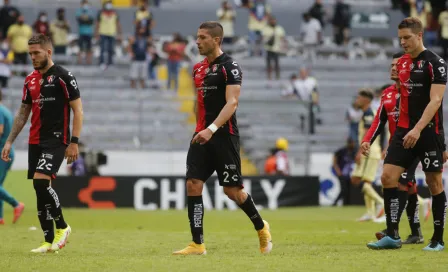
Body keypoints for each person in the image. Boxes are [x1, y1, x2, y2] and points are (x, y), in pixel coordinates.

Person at [172, 21, 272, 255]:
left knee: (232, 192)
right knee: (193, 184)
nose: (197, 41)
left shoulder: (230, 67)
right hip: (201, 135)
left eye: (203, 37)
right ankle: (197, 244)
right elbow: (200, 103)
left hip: (223, 136)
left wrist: (212, 129)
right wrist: (200, 129)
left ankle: (261, 226)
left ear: (216, 40)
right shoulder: (197, 69)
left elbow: (232, 103)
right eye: (197, 37)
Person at [366, 17, 448, 251]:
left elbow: (435, 101)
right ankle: (392, 235)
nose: (403, 42)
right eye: (400, 38)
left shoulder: (436, 63)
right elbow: (400, 97)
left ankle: (438, 238)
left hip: (428, 131)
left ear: (419, 35)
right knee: (387, 177)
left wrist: (420, 129)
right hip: (404, 132)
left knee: (434, 183)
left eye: (407, 38)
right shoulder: (402, 63)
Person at [1, 34, 84, 253]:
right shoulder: (30, 80)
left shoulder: (64, 77)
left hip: (56, 139)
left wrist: (74, 142)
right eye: (30, 54)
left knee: (41, 182)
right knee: (40, 191)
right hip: (35, 140)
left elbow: (78, 110)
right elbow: (22, 113)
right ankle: (47, 241)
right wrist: (9, 141)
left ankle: (63, 227)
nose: (32, 57)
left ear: (49, 52)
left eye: (36, 53)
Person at [362, 52, 433, 245]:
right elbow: (379, 120)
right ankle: (416, 232)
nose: (393, 68)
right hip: (396, 147)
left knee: (399, 183)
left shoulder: (417, 91)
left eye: (397, 65)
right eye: (391, 65)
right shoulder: (388, 93)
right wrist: (367, 139)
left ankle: (391, 229)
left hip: (414, 145)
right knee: (407, 187)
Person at [350, 88, 385, 222]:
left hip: (368, 152)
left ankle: (381, 204)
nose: (357, 100)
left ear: (366, 100)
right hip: (369, 152)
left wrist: (359, 152)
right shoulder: (367, 113)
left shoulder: (369, 114)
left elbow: (367, 135)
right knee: (356, 179)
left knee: (366, 183)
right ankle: (370, 212)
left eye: (359, 98)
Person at [0, 91, 25, 225]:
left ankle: (16, 204)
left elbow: (0, 130)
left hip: (2, 152)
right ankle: (0, 218)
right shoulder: (5, 111)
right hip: (7, 151)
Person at [332, 138, 356, 206]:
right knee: (344, 189)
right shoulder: (342, 151)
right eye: (351, 143)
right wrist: (338, 171)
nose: (353, 144)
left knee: (348, 190)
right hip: (342, 173)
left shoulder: (354, 151)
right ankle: (335, 203)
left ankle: (346, 204)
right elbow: (334, 159)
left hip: (350, 174)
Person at [262, 15, 285, 81]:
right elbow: (263, 38)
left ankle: (277, 77)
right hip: (268, 49)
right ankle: (269, 77)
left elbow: (282, 38)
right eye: (271, 20)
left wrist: (283, 46)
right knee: (269, 64)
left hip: (276, 49)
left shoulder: (279, 28)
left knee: (277, 64)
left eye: (274, 20)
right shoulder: (266, 29)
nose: (273, 22)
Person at [76, 0, 95, 65]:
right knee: (80, 48)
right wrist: (86, 19)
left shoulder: (90, 11)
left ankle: (88, 62)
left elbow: (91, 21)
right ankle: (79, 61)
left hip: (89, 33)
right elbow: (80, 20)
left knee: (89, 48)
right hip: (81, 32)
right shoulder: (78, 11)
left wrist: (85, 19)